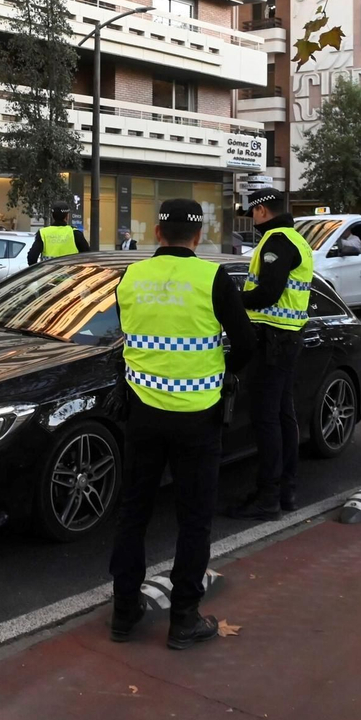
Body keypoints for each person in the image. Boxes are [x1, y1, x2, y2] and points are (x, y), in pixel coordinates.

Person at [109, 198, 257, 649]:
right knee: (193, 518)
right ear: (197, 237)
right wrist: (223, 370)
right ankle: (184, 618)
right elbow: (247, 343)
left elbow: (129, 331)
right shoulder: (211, 278)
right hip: (197, 417)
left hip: (143, 414)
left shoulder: (130, 276)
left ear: (157, 233)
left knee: (133, 513)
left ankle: (123, 613)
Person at [223, 188, 314, 521]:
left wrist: (231, 301)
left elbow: (268, 293)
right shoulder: (294, 239)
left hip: (273, 340)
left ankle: (268, 496)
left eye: (253, 212)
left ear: (262, 211)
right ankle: (285, 490)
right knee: (281, 415)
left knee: (267, 419)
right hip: (285, 338)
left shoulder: (278, 241)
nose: (252, 218)